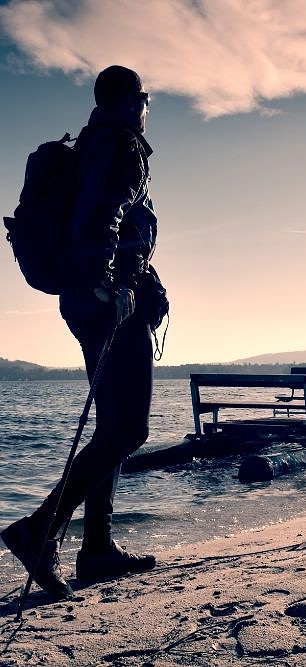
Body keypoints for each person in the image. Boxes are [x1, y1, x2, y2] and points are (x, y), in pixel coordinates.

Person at [1, 65, 167, 600]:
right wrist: (114, 288)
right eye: (145, 98)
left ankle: (96, 549)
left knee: (112, 427)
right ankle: (39, 530)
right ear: (128, 99)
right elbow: (102, 217)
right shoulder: (117, 142)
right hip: (104, 301)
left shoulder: (89, 145)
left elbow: (118, 226)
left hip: (86, 297)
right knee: (129, 430)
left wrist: (131, 283)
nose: (147, 107)